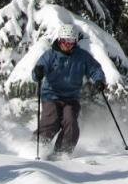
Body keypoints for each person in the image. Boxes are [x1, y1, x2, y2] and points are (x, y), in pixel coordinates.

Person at [32, 24, 105, 159]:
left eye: (71, 41)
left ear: (75, 42)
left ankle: (61, 153)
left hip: (71, 98)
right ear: (60, 40)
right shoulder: (50, 55)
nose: (68, 45)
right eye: (65, 41)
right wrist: (38, 72)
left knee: (71, 123)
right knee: (51, 123)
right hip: (51, 96)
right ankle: (34, 148)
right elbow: (37, 71)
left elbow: (95, 69)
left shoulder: (82, 56)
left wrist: (99, 80)